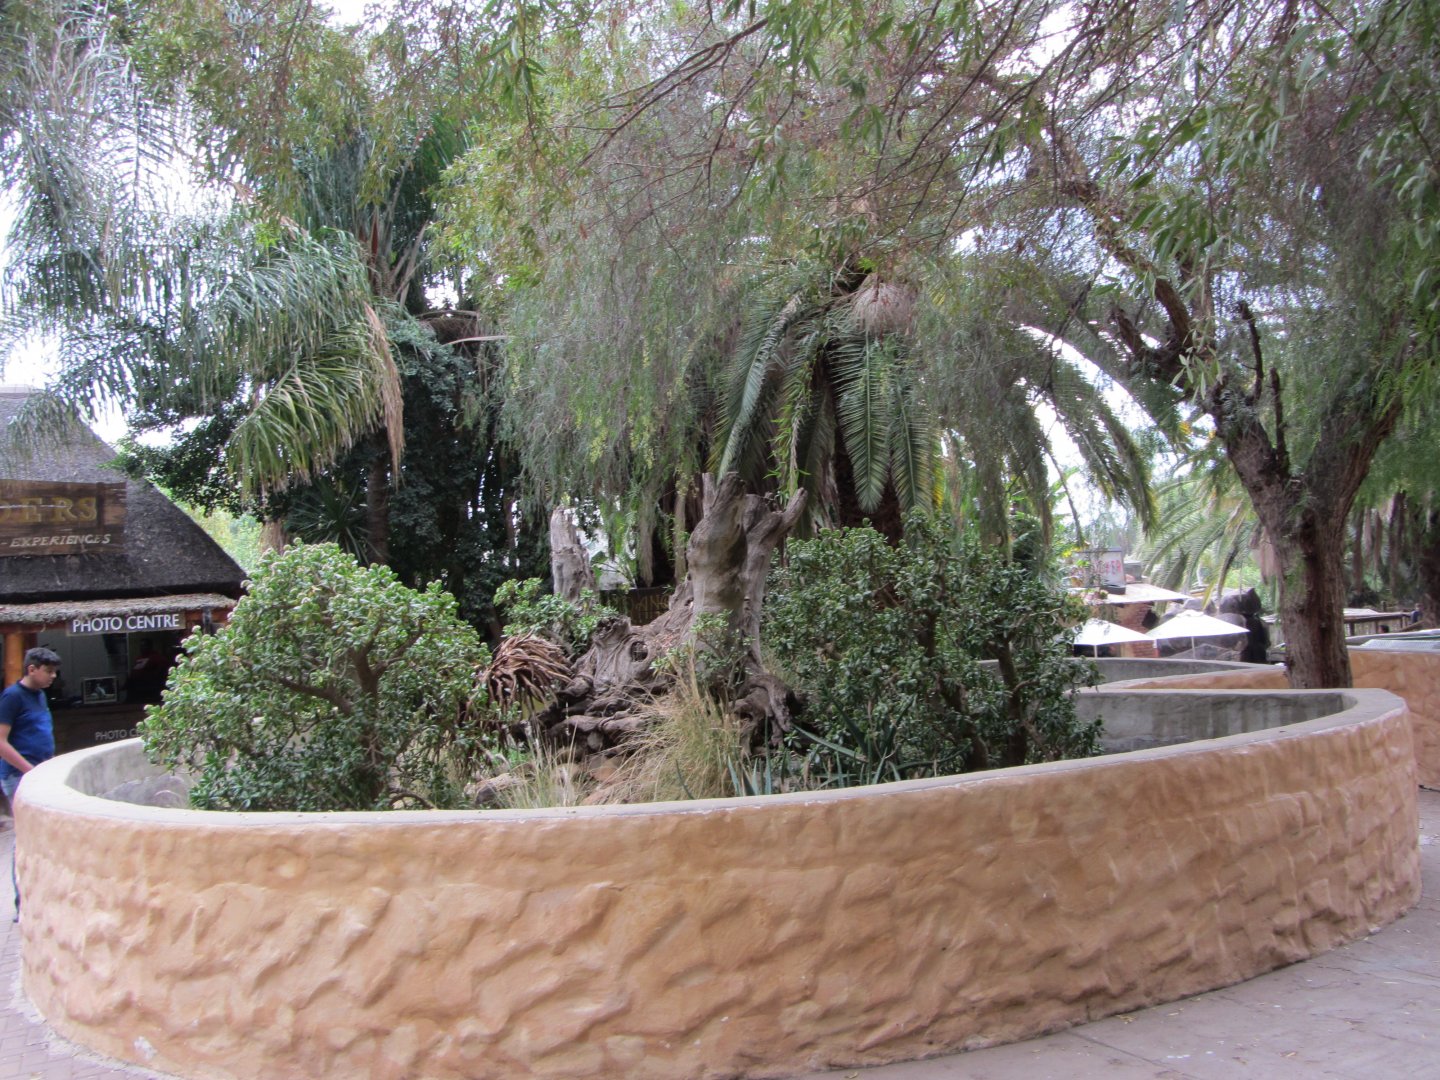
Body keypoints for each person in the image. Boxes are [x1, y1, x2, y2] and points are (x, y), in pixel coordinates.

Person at [0, 646, 61, 921]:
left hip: (38, 773)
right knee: (25, 836)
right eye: (48, 671)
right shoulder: (12, 697)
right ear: (31, 669)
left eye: (54, 671)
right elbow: (1, 743)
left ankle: (41, 896)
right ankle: (22, 904)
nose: (53, 677)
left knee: (42, 835)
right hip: (18, 777)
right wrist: (28, 770)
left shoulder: (40, 695)